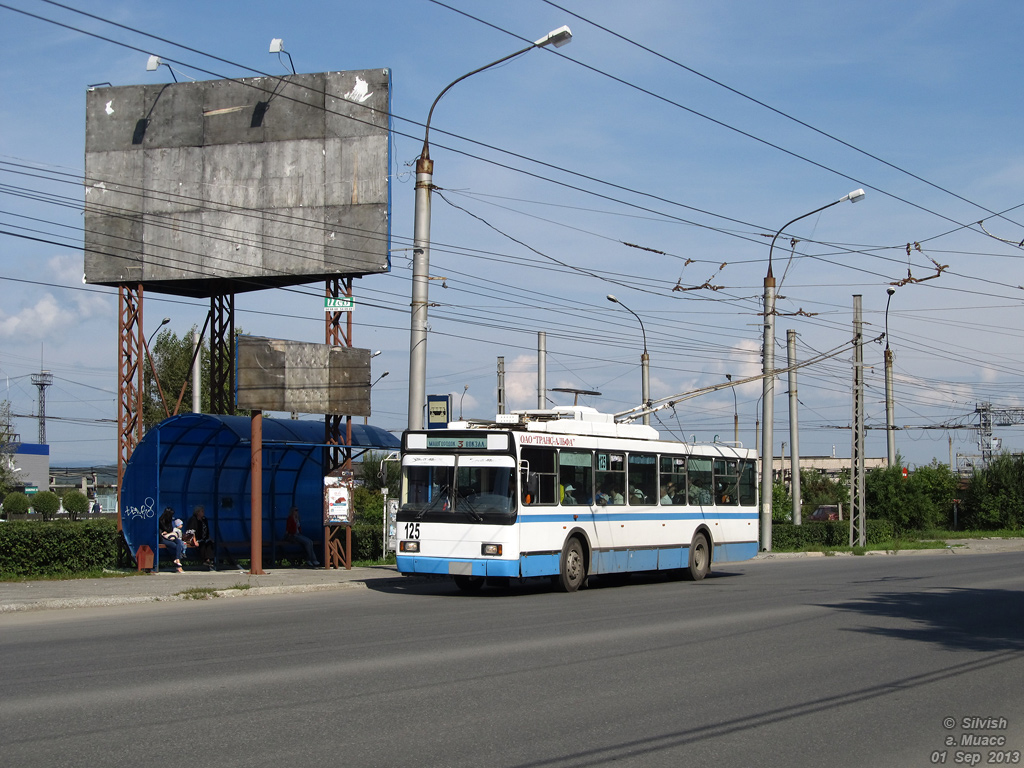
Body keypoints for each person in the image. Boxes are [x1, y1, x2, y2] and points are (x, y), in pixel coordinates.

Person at [184, 505, 216, 571]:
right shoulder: (193, 519)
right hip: (194, 538)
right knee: (202, 544)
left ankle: (210, 559)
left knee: (210, 543)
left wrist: (209, 537)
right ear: (197, 512)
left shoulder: (204, 519)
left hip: (204, 538)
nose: (203, 512)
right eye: (202, 511)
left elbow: (207, 530)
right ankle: (205, 560)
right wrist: (195, 541)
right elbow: (191, 531)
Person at [158, 506, 185, 573]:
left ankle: (177, 559)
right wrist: (166, 531)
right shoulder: (161, 520)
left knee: (179, 543)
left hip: (171, 536)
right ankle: (178, 566)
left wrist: (167, 531)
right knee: (175, 547)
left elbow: (170, 529)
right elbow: (165, 529)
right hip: (163, 538)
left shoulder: (169, 520)